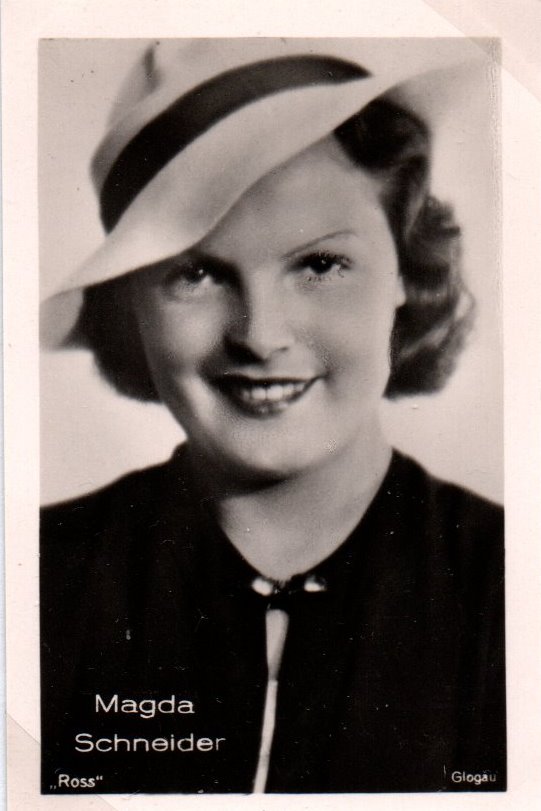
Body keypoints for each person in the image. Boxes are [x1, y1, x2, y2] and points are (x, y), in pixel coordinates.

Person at [40, 38, 505, 794]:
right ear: (132, 305)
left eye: (319, 264)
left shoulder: (509, 586)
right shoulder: (37, 578)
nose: (259, 335)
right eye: (197, 273)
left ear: (403, 270)